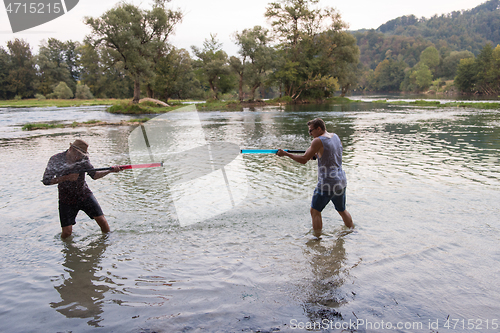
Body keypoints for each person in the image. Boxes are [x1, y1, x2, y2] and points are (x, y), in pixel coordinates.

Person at [276, 118, 353, 236]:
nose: (310, 134)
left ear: (319, 128)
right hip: (341, 181)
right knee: (341, 210)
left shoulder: (317, 141)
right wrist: (318, 155)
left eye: (311, 131)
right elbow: (334, 153)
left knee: (315, 211)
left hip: (327, 183)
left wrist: (286, 154)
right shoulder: (335, 136)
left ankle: (317, 240)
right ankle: (352, 231)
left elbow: (303, 160)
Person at [43, 139, 122, 238]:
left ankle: (107, 243)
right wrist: (66, 178)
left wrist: (110, 171)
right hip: (66, 199)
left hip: (84, 195)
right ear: (71, 149)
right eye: (77, 154)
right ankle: (66, 251)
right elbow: (46, 181)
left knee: (102, 222)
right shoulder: (55, 159)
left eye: (81, 155)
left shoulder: (83, 160)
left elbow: (95, 175)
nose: (78, 157)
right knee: (67, 233)